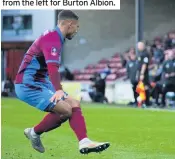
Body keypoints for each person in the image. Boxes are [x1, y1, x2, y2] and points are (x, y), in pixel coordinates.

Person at [14, 10, 110, 154]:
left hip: (41, 83)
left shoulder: (55, 37)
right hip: (28, 85)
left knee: (74, 104)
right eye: (77, 27)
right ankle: (34, 132)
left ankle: (84, 142)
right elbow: (52, 67)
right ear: (70, 24)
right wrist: (58, 89)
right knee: (66, 110)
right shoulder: (53, 38)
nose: (77, 30)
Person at [136, 41, 151, 107]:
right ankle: (143, 101)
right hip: (141, 72)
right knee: (142, 87)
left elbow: (144, 64)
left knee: (145, 87)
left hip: (144, 73)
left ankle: (146, 102)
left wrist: (142, 73)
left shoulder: (145, 54)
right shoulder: (140, 53)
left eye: (139, 46)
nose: (138, 47)